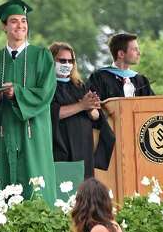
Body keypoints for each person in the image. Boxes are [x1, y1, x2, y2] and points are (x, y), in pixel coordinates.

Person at [0, 0, 58, 203]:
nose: (20, 25)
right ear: (4, 26)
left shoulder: (41, 56)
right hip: (7, 131)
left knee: (37, 188)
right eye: (14, 21)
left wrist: (18, 93)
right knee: (9, 187)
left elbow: (46, 92)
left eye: (23, 21)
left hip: (34, 132)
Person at [49, 42, 115, 179]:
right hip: (60, 146)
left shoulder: (79, 86)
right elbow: (51, 113)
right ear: (51, 60)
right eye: (62, 60)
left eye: (70, 61)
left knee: (85, 187)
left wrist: (91, 108)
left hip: (83, 148)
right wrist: (81, 106)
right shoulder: (47, 87)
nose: (67, 64)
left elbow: (97, 117)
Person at [88, 33, 155, 100]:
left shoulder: (141, 81)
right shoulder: (99, 78)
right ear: (121, 54)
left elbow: (153, 105)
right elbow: (92, 106)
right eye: (135, 49)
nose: (139, 53)